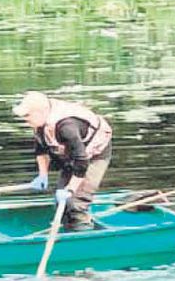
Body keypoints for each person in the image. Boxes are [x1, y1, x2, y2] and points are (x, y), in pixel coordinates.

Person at [12, 91, 113, 230]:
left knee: (75, 202)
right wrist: (43, 174)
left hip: (94, 153)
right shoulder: (40, 123)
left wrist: (71, 189)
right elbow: (41, 149)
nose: (25, 119)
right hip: (73, 154)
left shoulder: (66, 127)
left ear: (42, 111)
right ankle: (69, 227)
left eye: (28, 115)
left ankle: (82, 234)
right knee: (61, 203)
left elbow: (81, 160)